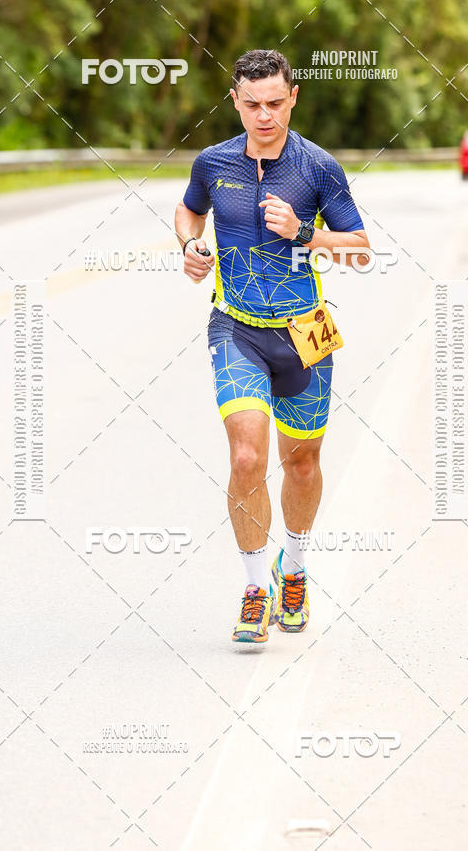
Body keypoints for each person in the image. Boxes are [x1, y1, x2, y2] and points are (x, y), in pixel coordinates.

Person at [174, 49, 370, 645]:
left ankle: (297, 568)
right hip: (235, 327)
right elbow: (188, 212)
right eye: (253, 105)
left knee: (303, 463)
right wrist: (190, 247)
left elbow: (360, 246)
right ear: (234, 100)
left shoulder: (317, 167)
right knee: (247, 459)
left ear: (294, 97)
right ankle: (256, 587)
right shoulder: (213, 162)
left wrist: (304, 232)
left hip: (305, 332)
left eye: (276, 104)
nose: (265, 116)